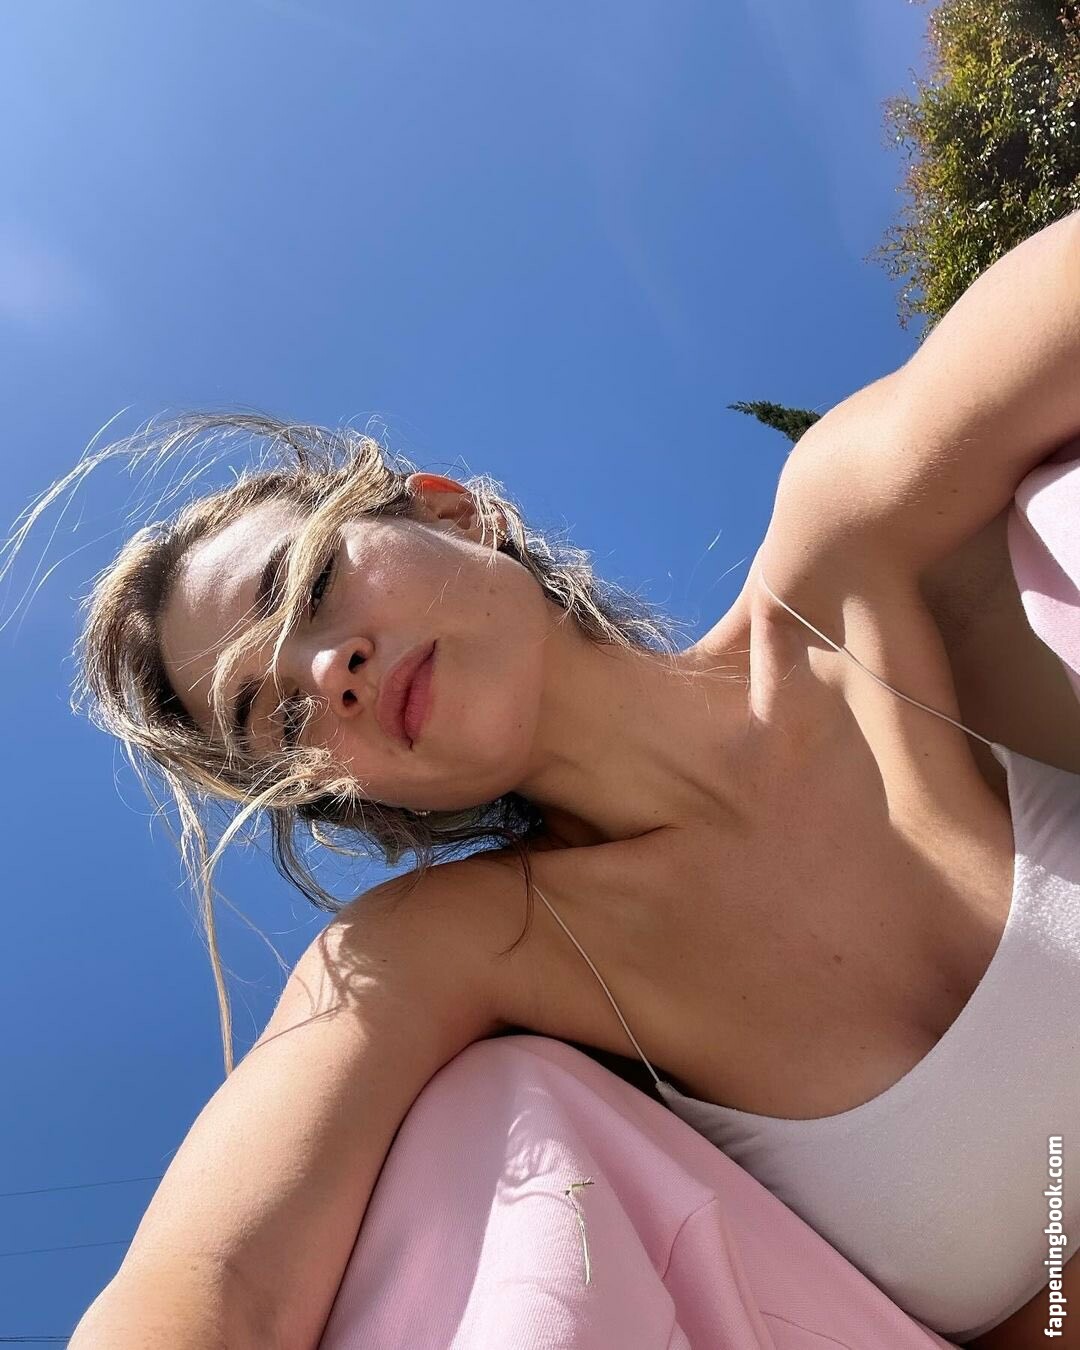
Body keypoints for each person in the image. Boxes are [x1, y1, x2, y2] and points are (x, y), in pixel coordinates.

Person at [39, 209, 1080, 1347]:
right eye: (280, 716)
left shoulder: (845, 555)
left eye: (312, 587)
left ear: (456, 513)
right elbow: (218, 1282)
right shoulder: (465, 947)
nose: (328, 671)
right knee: (479, 1131)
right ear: (348, 794)